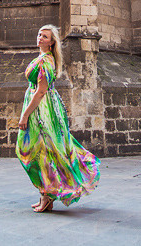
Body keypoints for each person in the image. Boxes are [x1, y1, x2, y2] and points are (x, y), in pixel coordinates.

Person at [16, 24, 100, 212]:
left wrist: (24, 116)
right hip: (43, 108)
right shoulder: (43, 58)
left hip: (42, 111)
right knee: (42, 151)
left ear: (52, 42)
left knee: (34, 150)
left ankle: (48, 195)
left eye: (45, 36)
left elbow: (41, 92)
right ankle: (45, 195)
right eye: (39, 34)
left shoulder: (46, 61)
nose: (40, 38)